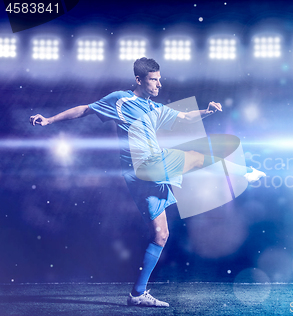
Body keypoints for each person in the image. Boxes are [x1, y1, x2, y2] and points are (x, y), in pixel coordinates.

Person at [29, 57, 266, 307]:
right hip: (148, 165)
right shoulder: (120, 100)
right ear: (139, 80)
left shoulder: (154, 108)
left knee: (161, 234)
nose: (158, 84)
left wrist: (206, 111)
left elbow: (185, 117)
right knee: (196, 158)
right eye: (153, 79)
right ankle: (245, 171)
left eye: (159, 79)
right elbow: (85, 109)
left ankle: (137, 294)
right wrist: (49, 120)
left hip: (144, 179)